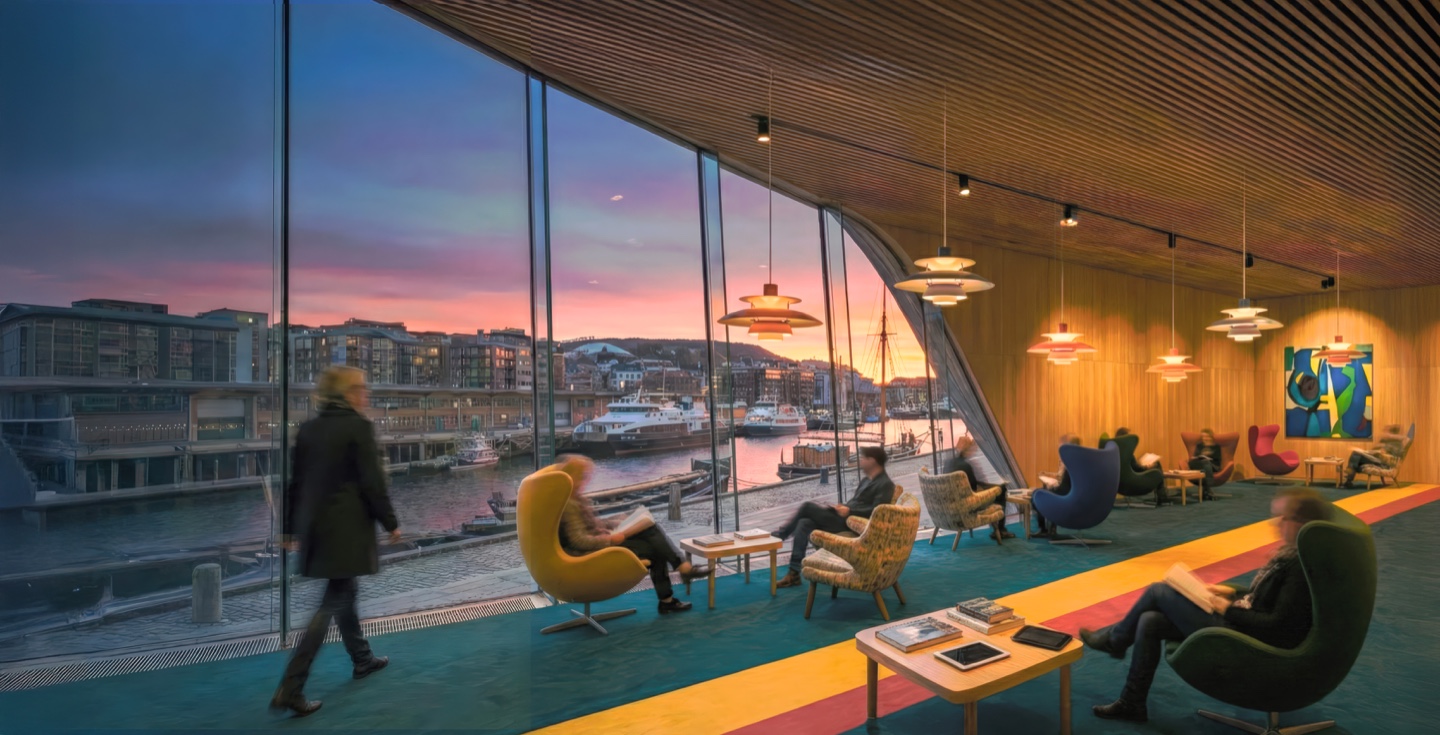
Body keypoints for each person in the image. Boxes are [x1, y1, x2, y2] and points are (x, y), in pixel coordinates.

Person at [1079, 487, 1331, 723]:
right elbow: (1262, 600)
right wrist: (1230, 592)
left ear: (1302, 524)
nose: (1275, 524)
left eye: (1283, 518)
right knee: (1150, 621)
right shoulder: (1290, 555)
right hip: (1241, 622)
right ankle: (1132, 702)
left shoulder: (1298, 567)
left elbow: (1275, 624)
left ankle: (1115, 641)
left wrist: (1226, 608)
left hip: (1245, 638)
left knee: (1158, 591)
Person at [272, 366, 400, 718]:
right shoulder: (358, 427)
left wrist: (287, 530)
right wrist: (391, 522)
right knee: (333, 601)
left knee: (344, 591)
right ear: (346, 393)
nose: (366, 393)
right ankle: (291, 685)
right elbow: (372, 483)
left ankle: (362, 659)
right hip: (346, 530)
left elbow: (295, 485)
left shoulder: (309, 430)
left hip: (316, 529)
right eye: (360, 387)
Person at [554, 455, 710, 613]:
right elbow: (578, 541)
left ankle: (673, 587)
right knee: (654, 543)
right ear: (572, 476)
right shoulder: (569, 504)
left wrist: (617, 521)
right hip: (592, 552)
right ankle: (680, 575)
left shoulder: (573, 498)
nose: (586, 480)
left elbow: (592, 526)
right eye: (583, 476)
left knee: (650, 530)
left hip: (600, 541)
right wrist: (610, 539)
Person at [775, 446, 895, 588]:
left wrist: (849, 511)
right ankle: (793, 573)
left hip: (851, 525)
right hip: (843, 517)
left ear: (873, 461)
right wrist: (842, 507)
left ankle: (781, 535)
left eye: (864, 458)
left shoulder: (886, 484)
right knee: (804, 523)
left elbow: (877, 512)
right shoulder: (866, 481)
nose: (861, 461)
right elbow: (857, 503)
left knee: (807, 506)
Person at [946, 435, 1012, 540]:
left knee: (996, 488)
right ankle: (1000, 529)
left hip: (955, 503)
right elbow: (974, 488)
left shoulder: (949, 463)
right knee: (1001, 489)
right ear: (968, 449)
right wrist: (991, 490)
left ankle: (998, 527)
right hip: (969, 503)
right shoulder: (965, 466)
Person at [1034, 434, 1082, 536]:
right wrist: (1047, 474)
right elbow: (1061, 476)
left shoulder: (1069, 461)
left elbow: (1064, 484)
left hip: (1067, 493)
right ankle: (1051, 527)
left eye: (1060, 446)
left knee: (1036, 494)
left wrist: (1052, 484)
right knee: (1045, 489)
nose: (1059, 449)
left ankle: (1044, 529)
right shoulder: (1073, 459)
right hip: (1071, 492)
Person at [1340, 424, 1407, 489]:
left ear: (1392, 433)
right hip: (1376, 458)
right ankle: (1348, 479)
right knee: (1356, 456)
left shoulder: (1397, 444)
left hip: (1383, 462)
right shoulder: (1385, 441)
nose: (1384, 433)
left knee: (1356, 454)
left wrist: (1371, 452)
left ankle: (1348, 479)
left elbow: (1391, 457)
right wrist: (1367, 452)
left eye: (1387, 431)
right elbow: (1375, 451)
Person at [1187, 428, 1223, 501]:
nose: (1204, 438)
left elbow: (1218, 458)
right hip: (1201, 463)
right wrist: (1196, 458)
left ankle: (1208, 489)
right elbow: (1196, 456)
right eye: (1203, 437)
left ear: (1210, 437)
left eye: (1206, 436)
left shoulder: (1216, 447)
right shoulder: (1199, 446)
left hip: (1213, 464)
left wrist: (1208, 458)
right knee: (1192, 463)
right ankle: (1208, 490)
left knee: (1206, 463)